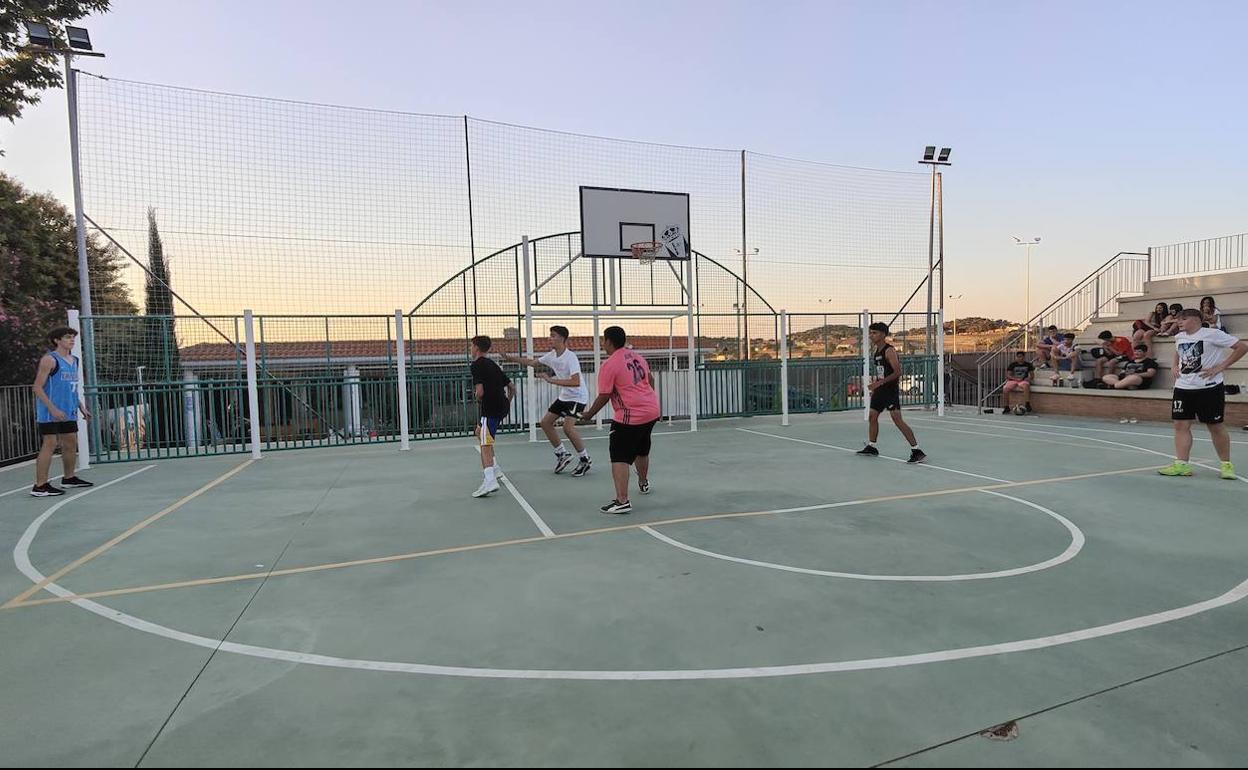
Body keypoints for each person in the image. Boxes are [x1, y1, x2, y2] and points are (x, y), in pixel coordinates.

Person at [579, 326, 661, 514]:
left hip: (630, 416)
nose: (602, 344)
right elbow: (650, 380)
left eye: (603, 340)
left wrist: (589, 414)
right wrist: (647, 400)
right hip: (651, 411)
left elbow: (604, 395)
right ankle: (643, 482)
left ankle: (622, 501)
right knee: (642, 449)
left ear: (608, 341)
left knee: (619, 456)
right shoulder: (637, 357)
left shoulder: (610, 365)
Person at [1159, 309, 1247, 480]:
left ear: (1196, 320)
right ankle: (1182, 464)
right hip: (1183, 387)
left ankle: (1226, 465)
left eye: (1184, 319)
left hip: (1209, 387)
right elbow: (1177, 351)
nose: (1179, 322)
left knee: (1215, 426)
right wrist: (1174, 365)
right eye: (1178, 319)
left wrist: (1220, 367)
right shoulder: (1179, 336)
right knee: (1181, 425)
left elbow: (1242, 347)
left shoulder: (1213, 334)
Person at [502, 325, 592, 477]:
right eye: (550, 335)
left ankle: (585, 459)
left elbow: (576, 382)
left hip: (578, 397)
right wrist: (510, 358)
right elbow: (532, 363)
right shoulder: (551, 355)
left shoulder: (570, 357)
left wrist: (550, 380)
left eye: (553, 336)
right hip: (565, 396)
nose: (549, 338)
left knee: (568, 428)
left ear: (562, 338)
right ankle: (562, 454)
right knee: (545, 423)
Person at [31, 327, 93, 497]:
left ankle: (69, 478)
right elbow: (37, 387)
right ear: (57, 340)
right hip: (50, 411)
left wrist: (81, 406)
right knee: (50, 444)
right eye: (67, 337)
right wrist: (53, 409)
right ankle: (40, 486)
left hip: (68, 410)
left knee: (71, 443)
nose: (71, 340)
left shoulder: (74, 360)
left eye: (73, 337)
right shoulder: (50, 360)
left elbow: (70, 388)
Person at [857, 322, 925, 463]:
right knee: (872, 416)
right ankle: (872, 446)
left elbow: (897, 372)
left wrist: (879, 383)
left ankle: (916, 450)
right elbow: (882, 372)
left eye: (874, 333)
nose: (871, 335)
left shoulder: (889, 351)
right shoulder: (877, 351)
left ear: (883, 334)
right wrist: (876, 384)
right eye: (870, 333)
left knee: (897, 419)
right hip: (880, 390)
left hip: (890, 390)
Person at [469, 335, 516, 498]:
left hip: (490, 409)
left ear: (476, 347)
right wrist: (507, 402)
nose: (470, 349)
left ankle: (490, 480)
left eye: (471, 346)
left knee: (485, 444)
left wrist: (476, 396)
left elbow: (480, 392)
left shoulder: (476, 365)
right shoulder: (493, 364)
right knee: (480, 432)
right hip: (502, 406)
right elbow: (512, 387)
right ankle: (495, 469)